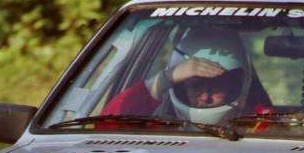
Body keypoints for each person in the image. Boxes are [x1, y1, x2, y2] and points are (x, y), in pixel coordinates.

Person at [102, 27, 271, 125]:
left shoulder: (264, 127)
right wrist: (167, 78)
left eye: (216, 86)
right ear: (179, 87)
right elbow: (106, 126)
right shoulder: (161, 130)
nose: (205, 97)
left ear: (235, 86)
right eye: (196, 86)